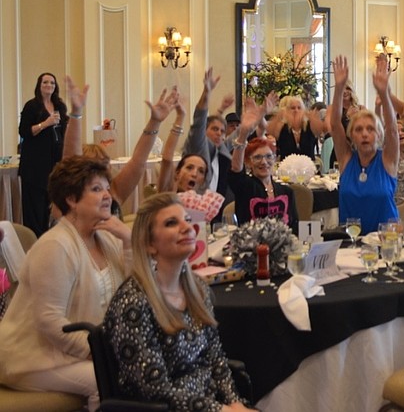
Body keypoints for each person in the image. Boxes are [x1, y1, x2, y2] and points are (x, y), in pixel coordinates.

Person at [0, 156, 131, 409]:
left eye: (107, 188)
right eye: (96, 189)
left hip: (72, 349)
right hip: (31, 355)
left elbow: (135, 293)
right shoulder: (55, 246)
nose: (107, 195)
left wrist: (128, 240)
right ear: (71, 199)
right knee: (105, 380)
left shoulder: (107, 238)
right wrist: (98, 352)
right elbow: (50, 321)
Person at [103, 193, 253, 411]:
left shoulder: (198, 289)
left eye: (188, 220)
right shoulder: (133, 303)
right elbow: (153, 389)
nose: (187, 228)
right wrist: (220, 410)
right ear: (150, 244)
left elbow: (216, 359)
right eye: (171, 223)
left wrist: (235, 403)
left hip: (210, 402)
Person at [63, 76, 179, 216]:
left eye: (105, 165)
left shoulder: (114, 192)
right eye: (96, 167)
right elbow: (70, 163)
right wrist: (76, 113)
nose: (105, 170)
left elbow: (138, 161)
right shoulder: (72, 198)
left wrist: (155, 122)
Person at [330, 54, 399, 234]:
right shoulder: (346, 159)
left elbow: (392, 129)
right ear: (351, 136)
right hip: (351, 240)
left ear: (379, 135)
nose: (365, 134)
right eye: (359, 130)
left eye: (370, 129)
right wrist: (339, 88)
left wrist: (384, 93)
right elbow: (335, 125)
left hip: (385, 240)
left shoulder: (387, 160)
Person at [230, 97, 299, 225]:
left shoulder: (287, 192)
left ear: (275, 158)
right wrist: (243, 133)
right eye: (257, 157)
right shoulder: (245, 187)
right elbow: (236, 170)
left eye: (268, 156)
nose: (264, 162)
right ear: (248, 162)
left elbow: (296, 226)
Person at [18, 72, 68, 236]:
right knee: (35, 208)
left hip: (54, 164)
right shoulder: (32, 106)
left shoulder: (60, 106)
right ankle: (34, 240)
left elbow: (64, 131)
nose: (49, 85)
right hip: (34, 167)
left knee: (50, 206)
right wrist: (45, 124)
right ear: (39, 86)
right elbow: (24, 131)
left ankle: (49, 238)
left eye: (52, 83)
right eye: (45, 82)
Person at [184, 68, 234, 216]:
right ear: (205, 131)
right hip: (194, 209)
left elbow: (240, 135)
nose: (219, 133)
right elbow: (199, 121)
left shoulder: (221, 148)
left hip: (216, 211)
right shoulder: (198, 147)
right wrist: (206, 93)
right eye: (214, 129)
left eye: (222, 131)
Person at [268, 95, 323, 160]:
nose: (296, 110)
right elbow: (271, 132)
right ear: (287, 111)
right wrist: (278, 117)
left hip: (308, 164)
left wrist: (311, 117)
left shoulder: (310, 126)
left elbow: (320, 132)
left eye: (299, 108)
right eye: (293, 108)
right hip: (287, 165)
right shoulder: (283, 127)